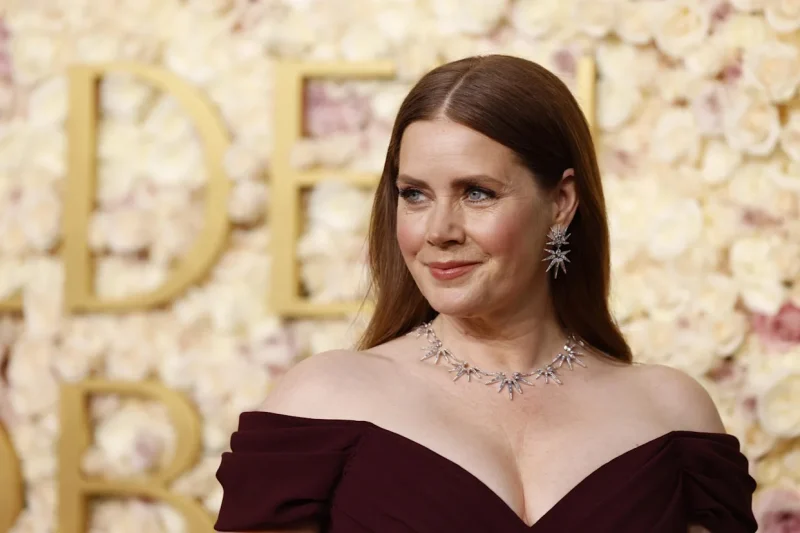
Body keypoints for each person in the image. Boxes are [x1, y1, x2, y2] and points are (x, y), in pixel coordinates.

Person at [213, 55, 757, 533]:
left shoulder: (672, 414)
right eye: (414, 194)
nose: (439, 231)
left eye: (476, 193)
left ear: (561, 202)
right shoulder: (323, 403)